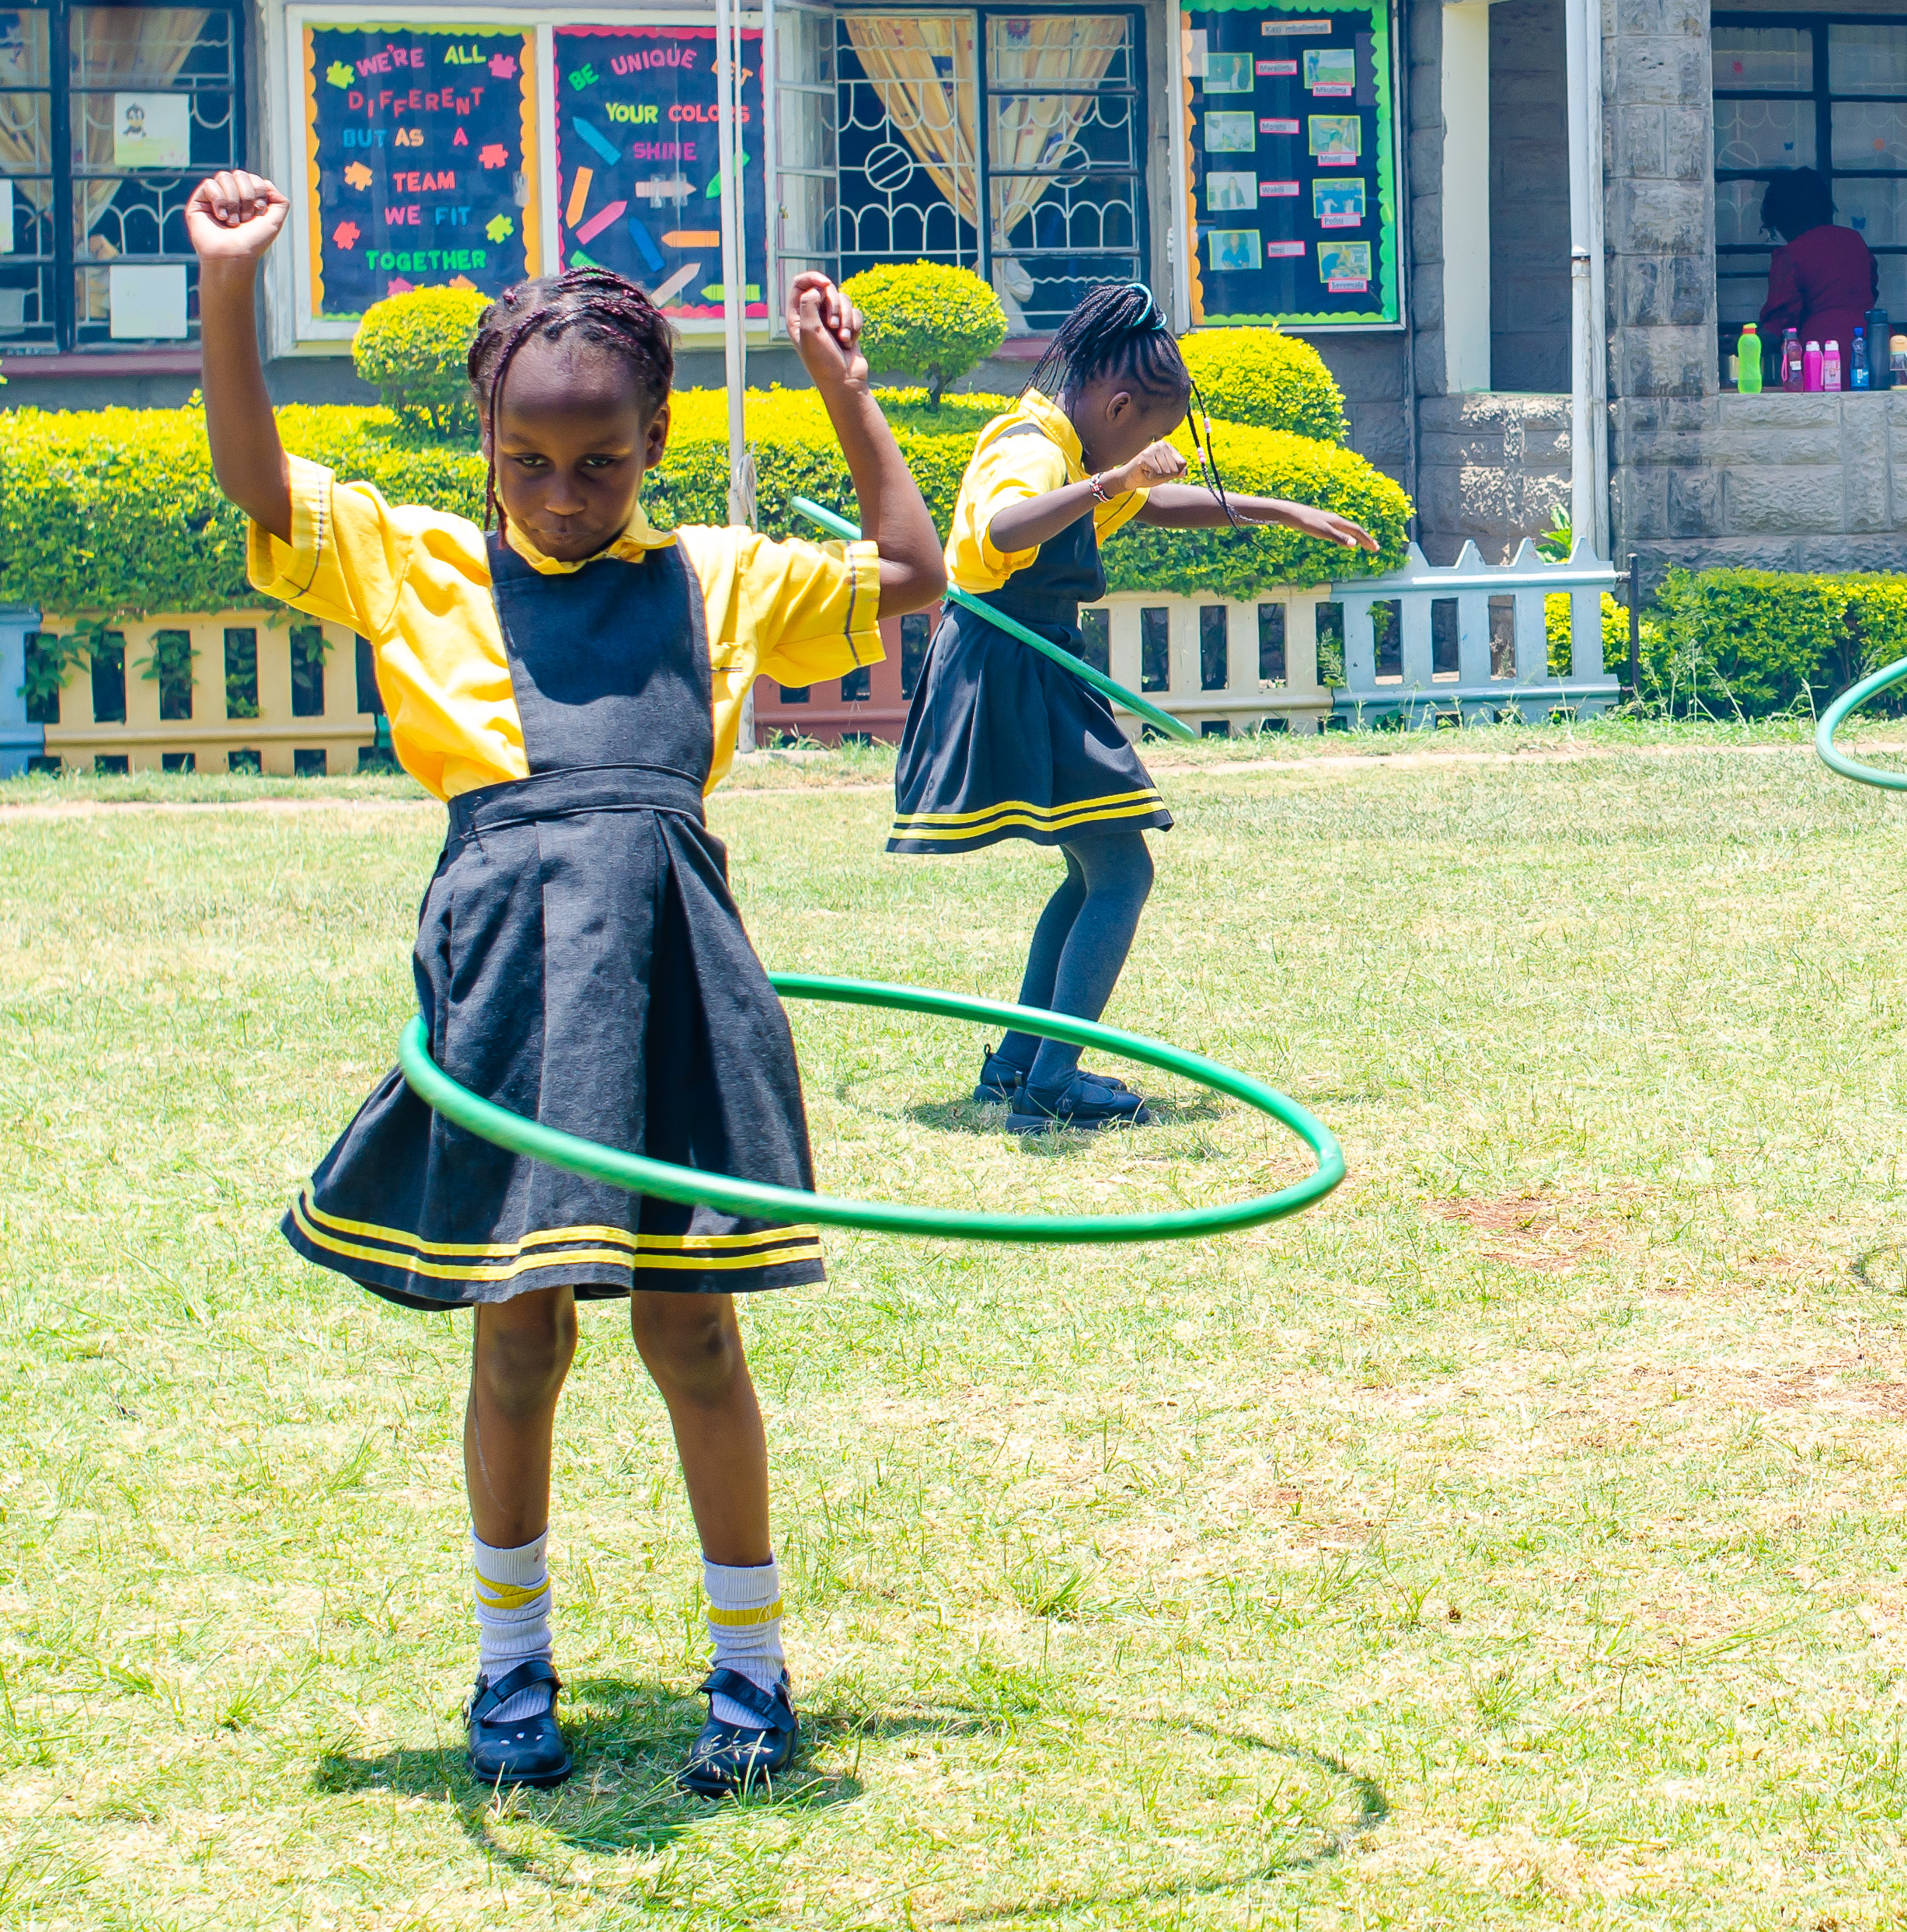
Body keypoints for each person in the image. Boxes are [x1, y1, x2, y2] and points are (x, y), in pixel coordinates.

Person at [187, 169, 949, 1795]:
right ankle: (508, 1665)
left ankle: (750, 1673)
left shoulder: (723, 581)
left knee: (695, 1335)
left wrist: (846, 391)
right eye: (526, 459)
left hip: (676, 974)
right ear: (484, 444)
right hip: (510, 985)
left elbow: (912, 573)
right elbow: (256, 478)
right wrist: (231, 288)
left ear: (656, 445)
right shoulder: (415, 566)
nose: (561, 490)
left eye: (601, 461)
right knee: (516, 1336)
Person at [888, 286, 1376, 1127]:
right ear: (1118, 407)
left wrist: (1277, 509)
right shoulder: (1033, 444)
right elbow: (1005, 528)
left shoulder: (1076, 445)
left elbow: (1147, 500)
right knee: (1121, 871)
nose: (1150, 454)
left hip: (1028, 660)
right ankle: (1047, 1087)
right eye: (1150, 434)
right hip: (1010, 661)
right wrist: (1118, 473)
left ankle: (1018, 1066)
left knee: (1097, 869)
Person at [1752, 167, 1875, 382]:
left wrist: (1743, 343)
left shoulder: (1791, 255)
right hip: (1872, 350)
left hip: (1821, 361)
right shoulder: (1855, 241)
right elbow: (1871, 290)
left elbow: (1782, 323)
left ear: (1781, 217)